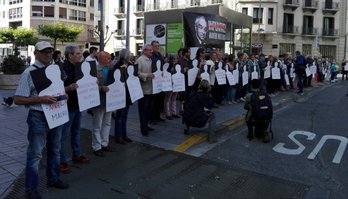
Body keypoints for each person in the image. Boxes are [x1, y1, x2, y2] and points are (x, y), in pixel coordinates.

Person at [14, 41, 69, 199]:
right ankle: (30, 190)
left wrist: (65, 95)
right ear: (35, 53)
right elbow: (18, 99)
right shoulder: (29, 72)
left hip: (56, 114)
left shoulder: (56, 70)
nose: (48, 54)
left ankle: (53, 178)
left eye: (50, 51)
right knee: (35, 154)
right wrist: (41, 99)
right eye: (44, 51)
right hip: (38, 116)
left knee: (55, 149)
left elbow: (60, 90)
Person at [60, 45, 89, 173]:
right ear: (70, 55)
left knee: (76, 131)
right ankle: (61, 160)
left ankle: (76, 153)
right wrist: (68, 88)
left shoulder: (81, 67)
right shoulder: (62, 68)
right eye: (77, 53)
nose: (80, 56)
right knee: (64, 134)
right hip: (68, 105)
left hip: (78, 104)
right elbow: (56, 88)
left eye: (80, 53)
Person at [90, 51, 114, 156]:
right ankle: (96, 147)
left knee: (107, 123)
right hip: (99, 100)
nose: (109, 59)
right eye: (107, 58)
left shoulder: (111, 69)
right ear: (101, 59)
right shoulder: (94, 69)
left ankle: (104, 143)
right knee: (97, 124)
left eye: (109, 58)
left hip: (110, 100)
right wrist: (100, 88)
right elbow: (89, 86)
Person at [113, 49, 133, 144]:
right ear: (125, 56)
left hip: (128, 93)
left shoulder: (130, 65)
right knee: (120, 116)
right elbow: (115, 77)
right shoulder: (118, 65)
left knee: (125, 116)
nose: (131, 57)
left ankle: (124, 135)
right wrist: (122, 68)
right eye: (129, 55)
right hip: (121, 94)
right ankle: (118, 136)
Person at [136, 44, 155, 136]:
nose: (152, 51)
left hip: (151, 88)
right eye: (150, 50)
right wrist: (147, 75)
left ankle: (146, 125)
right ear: (145, 51)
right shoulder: (140, 60)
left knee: (148, 110)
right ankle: (143, 128)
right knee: (143, 110)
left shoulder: (151, 60)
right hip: (143, 89)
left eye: (152, 50)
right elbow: (137, 73)